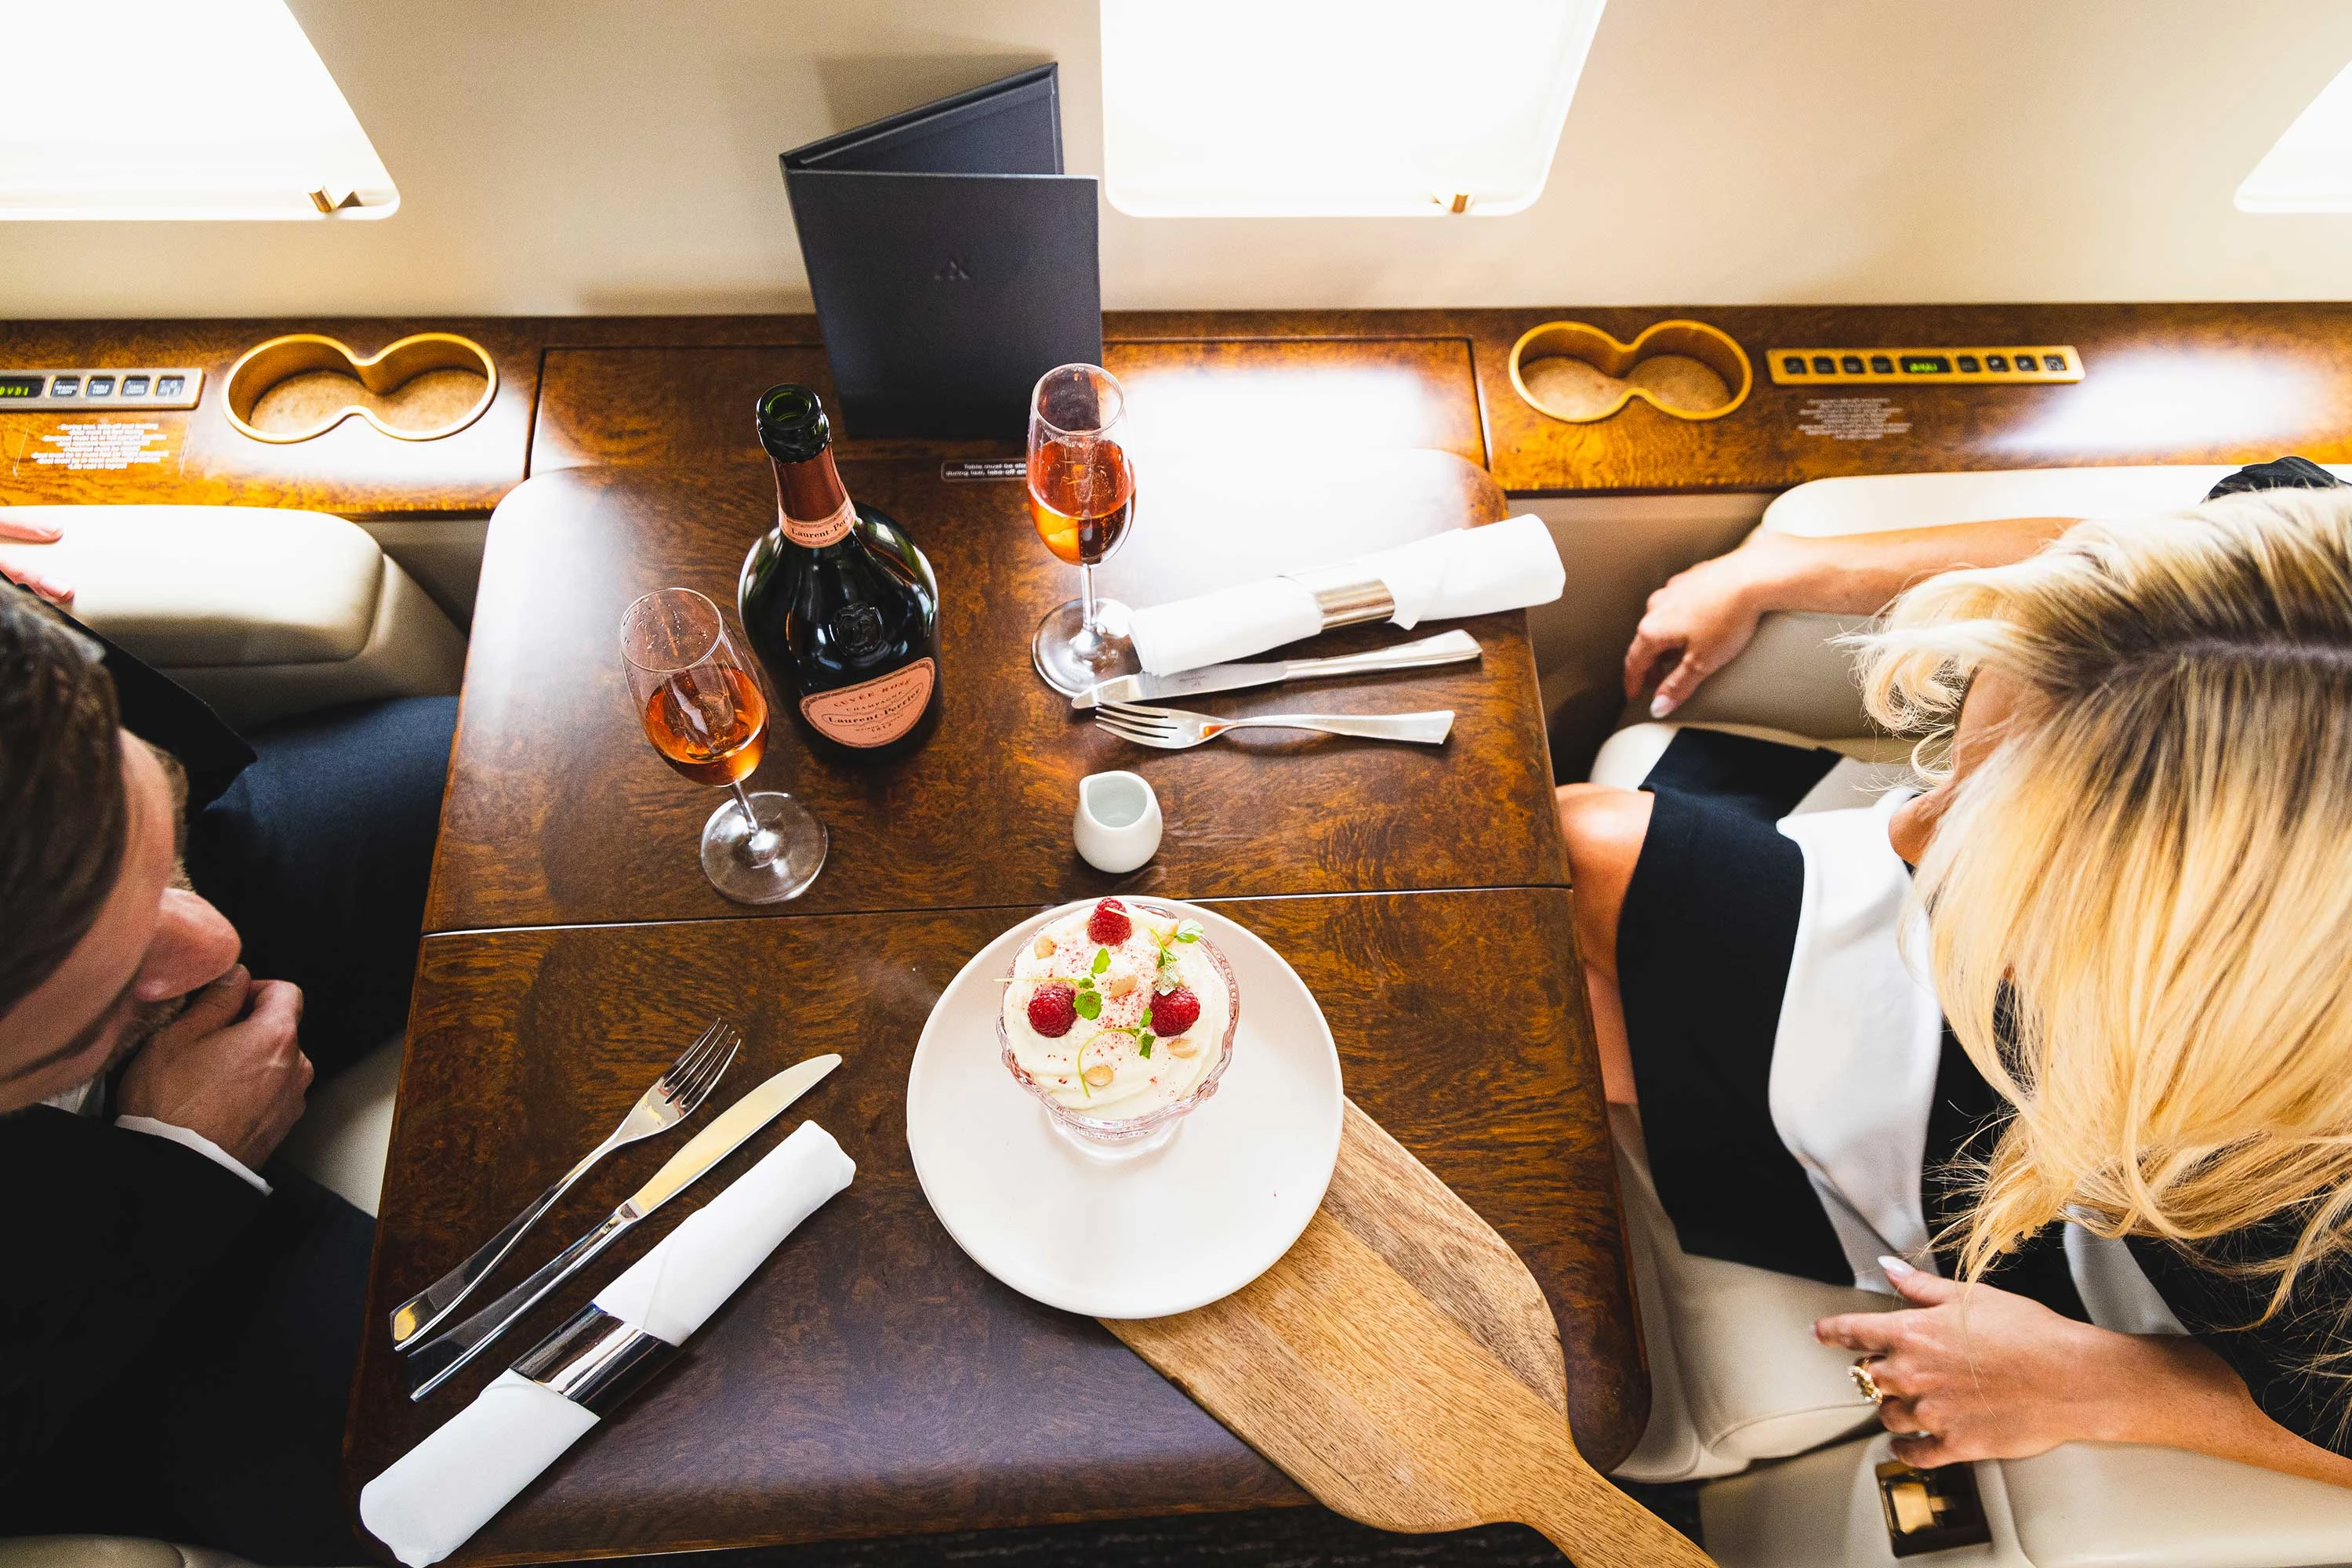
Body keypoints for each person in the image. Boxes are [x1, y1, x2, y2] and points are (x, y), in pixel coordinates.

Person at [1561, 459, 2352, 1485]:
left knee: (1580, 1009)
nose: (1906, 833)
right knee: (1571, 865)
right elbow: (2124, 568)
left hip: (2098, 1190)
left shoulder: (2313, 1247)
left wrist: (2101, 1386)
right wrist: (1791, 568)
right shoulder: (2309, 587)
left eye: (1984, 829)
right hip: (2028, 994)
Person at [0, 581, 456, 1561]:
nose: (218, 943)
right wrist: (180, 1165)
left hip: (121, 854)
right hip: (106, 1294)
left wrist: (144, 875)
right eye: (116, 986)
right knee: (512, 1426)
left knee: (519, 763)